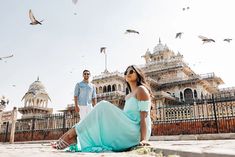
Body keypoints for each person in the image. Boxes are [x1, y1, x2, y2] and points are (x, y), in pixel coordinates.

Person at [51, 65, 152, 152]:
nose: (128, 73)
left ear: (138, 74)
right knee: (103, 123)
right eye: (126, 72)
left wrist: (143, 140)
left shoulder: (141, 90)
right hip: (128, 128)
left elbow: (144, 117)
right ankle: (76, 137)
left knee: (103, 105)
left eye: (131, 71)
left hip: (136, 131)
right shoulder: (128, 96)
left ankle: (71, 134)